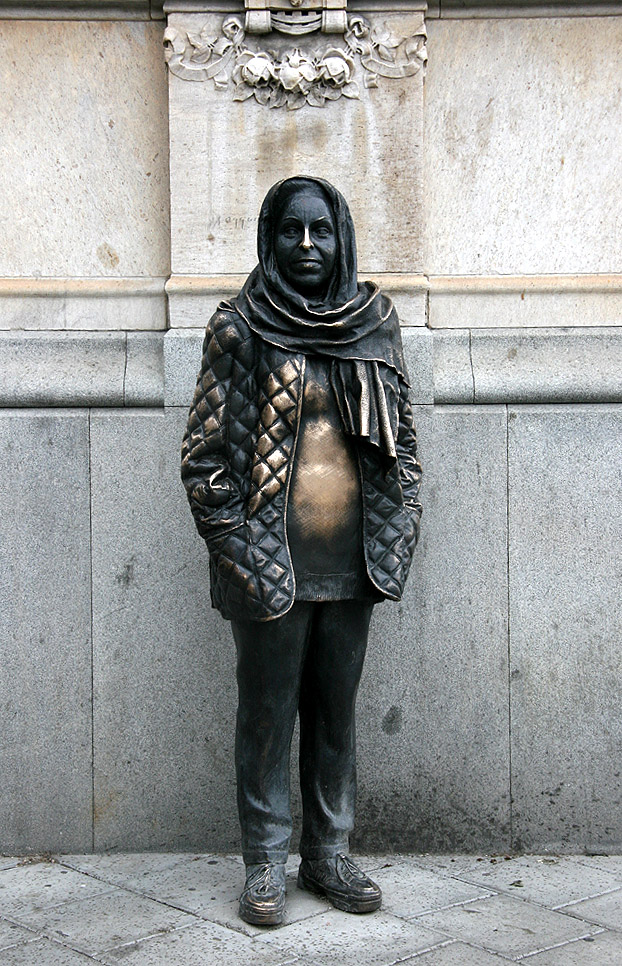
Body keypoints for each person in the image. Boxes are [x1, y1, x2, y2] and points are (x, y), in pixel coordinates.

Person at [181, 176, 422, 926]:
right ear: (271, 238)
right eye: (292, 230)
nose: (308, 245)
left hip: (356, 557)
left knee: (335, 712)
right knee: (266, 712)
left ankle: (329, 854)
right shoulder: (239, 327)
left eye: (321, 230)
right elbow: (203, 455)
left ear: (341, 238)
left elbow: (403, 444)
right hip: (267, 559)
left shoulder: (374, 323)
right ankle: (264, 861)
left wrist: (403, 523)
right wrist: (235, 545)